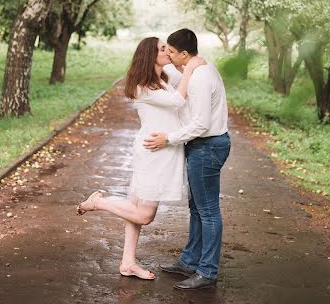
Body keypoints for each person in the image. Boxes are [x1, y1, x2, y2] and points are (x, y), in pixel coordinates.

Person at [76, 36, 205, 280]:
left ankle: (127, 263)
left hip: (160, 151)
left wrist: (186, 66)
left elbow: (182, 87)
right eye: (162, 49)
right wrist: (191, 68)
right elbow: (179, 100)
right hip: (153, 153)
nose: (167, 51)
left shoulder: (161, 80)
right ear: (150, 55)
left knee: (133, 211)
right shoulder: (143, 87)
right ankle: (98, 202)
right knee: (145, 215)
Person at [144, 28, 230, 290]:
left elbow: (201, 124)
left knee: (208, 211)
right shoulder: (193, 71)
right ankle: (190, 261)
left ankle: (207, 271)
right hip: (201, 146)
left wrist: (168, 138)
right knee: (197, 208)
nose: (167, 55)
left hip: (207, 146)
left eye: (170, 51)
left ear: (184, 53)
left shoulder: (201, 77)